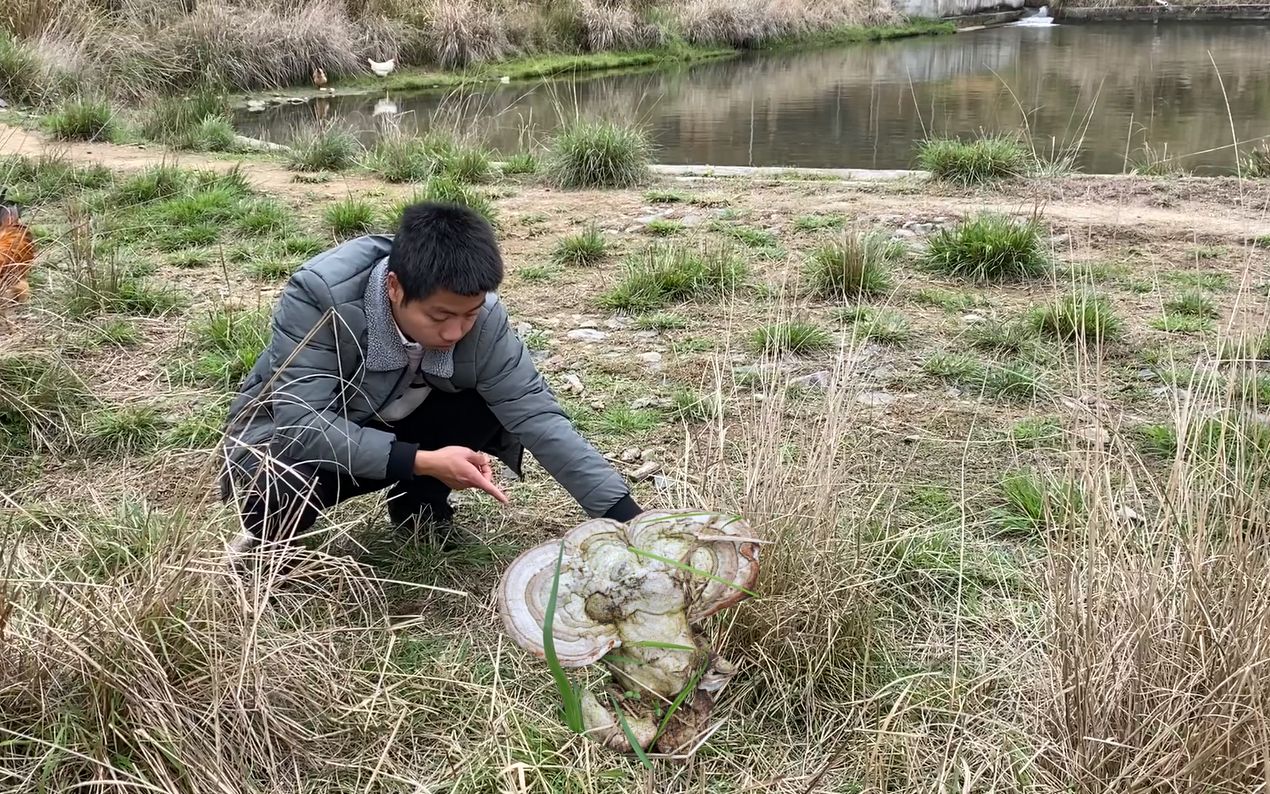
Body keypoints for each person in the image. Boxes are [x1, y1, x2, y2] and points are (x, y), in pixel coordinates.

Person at [218, 201, 643, 552]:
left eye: (469, 314)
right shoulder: (320, 297)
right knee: (274, 488)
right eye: (439, 316)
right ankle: (266, 548)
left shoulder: (483, 317)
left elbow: (536, 415)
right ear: (394, 288)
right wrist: (422, 462)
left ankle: (421, 515)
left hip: (392, 422)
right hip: (283, 439)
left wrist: (629, 520)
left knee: (486, 404)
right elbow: (303, 427)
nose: (456, 331)